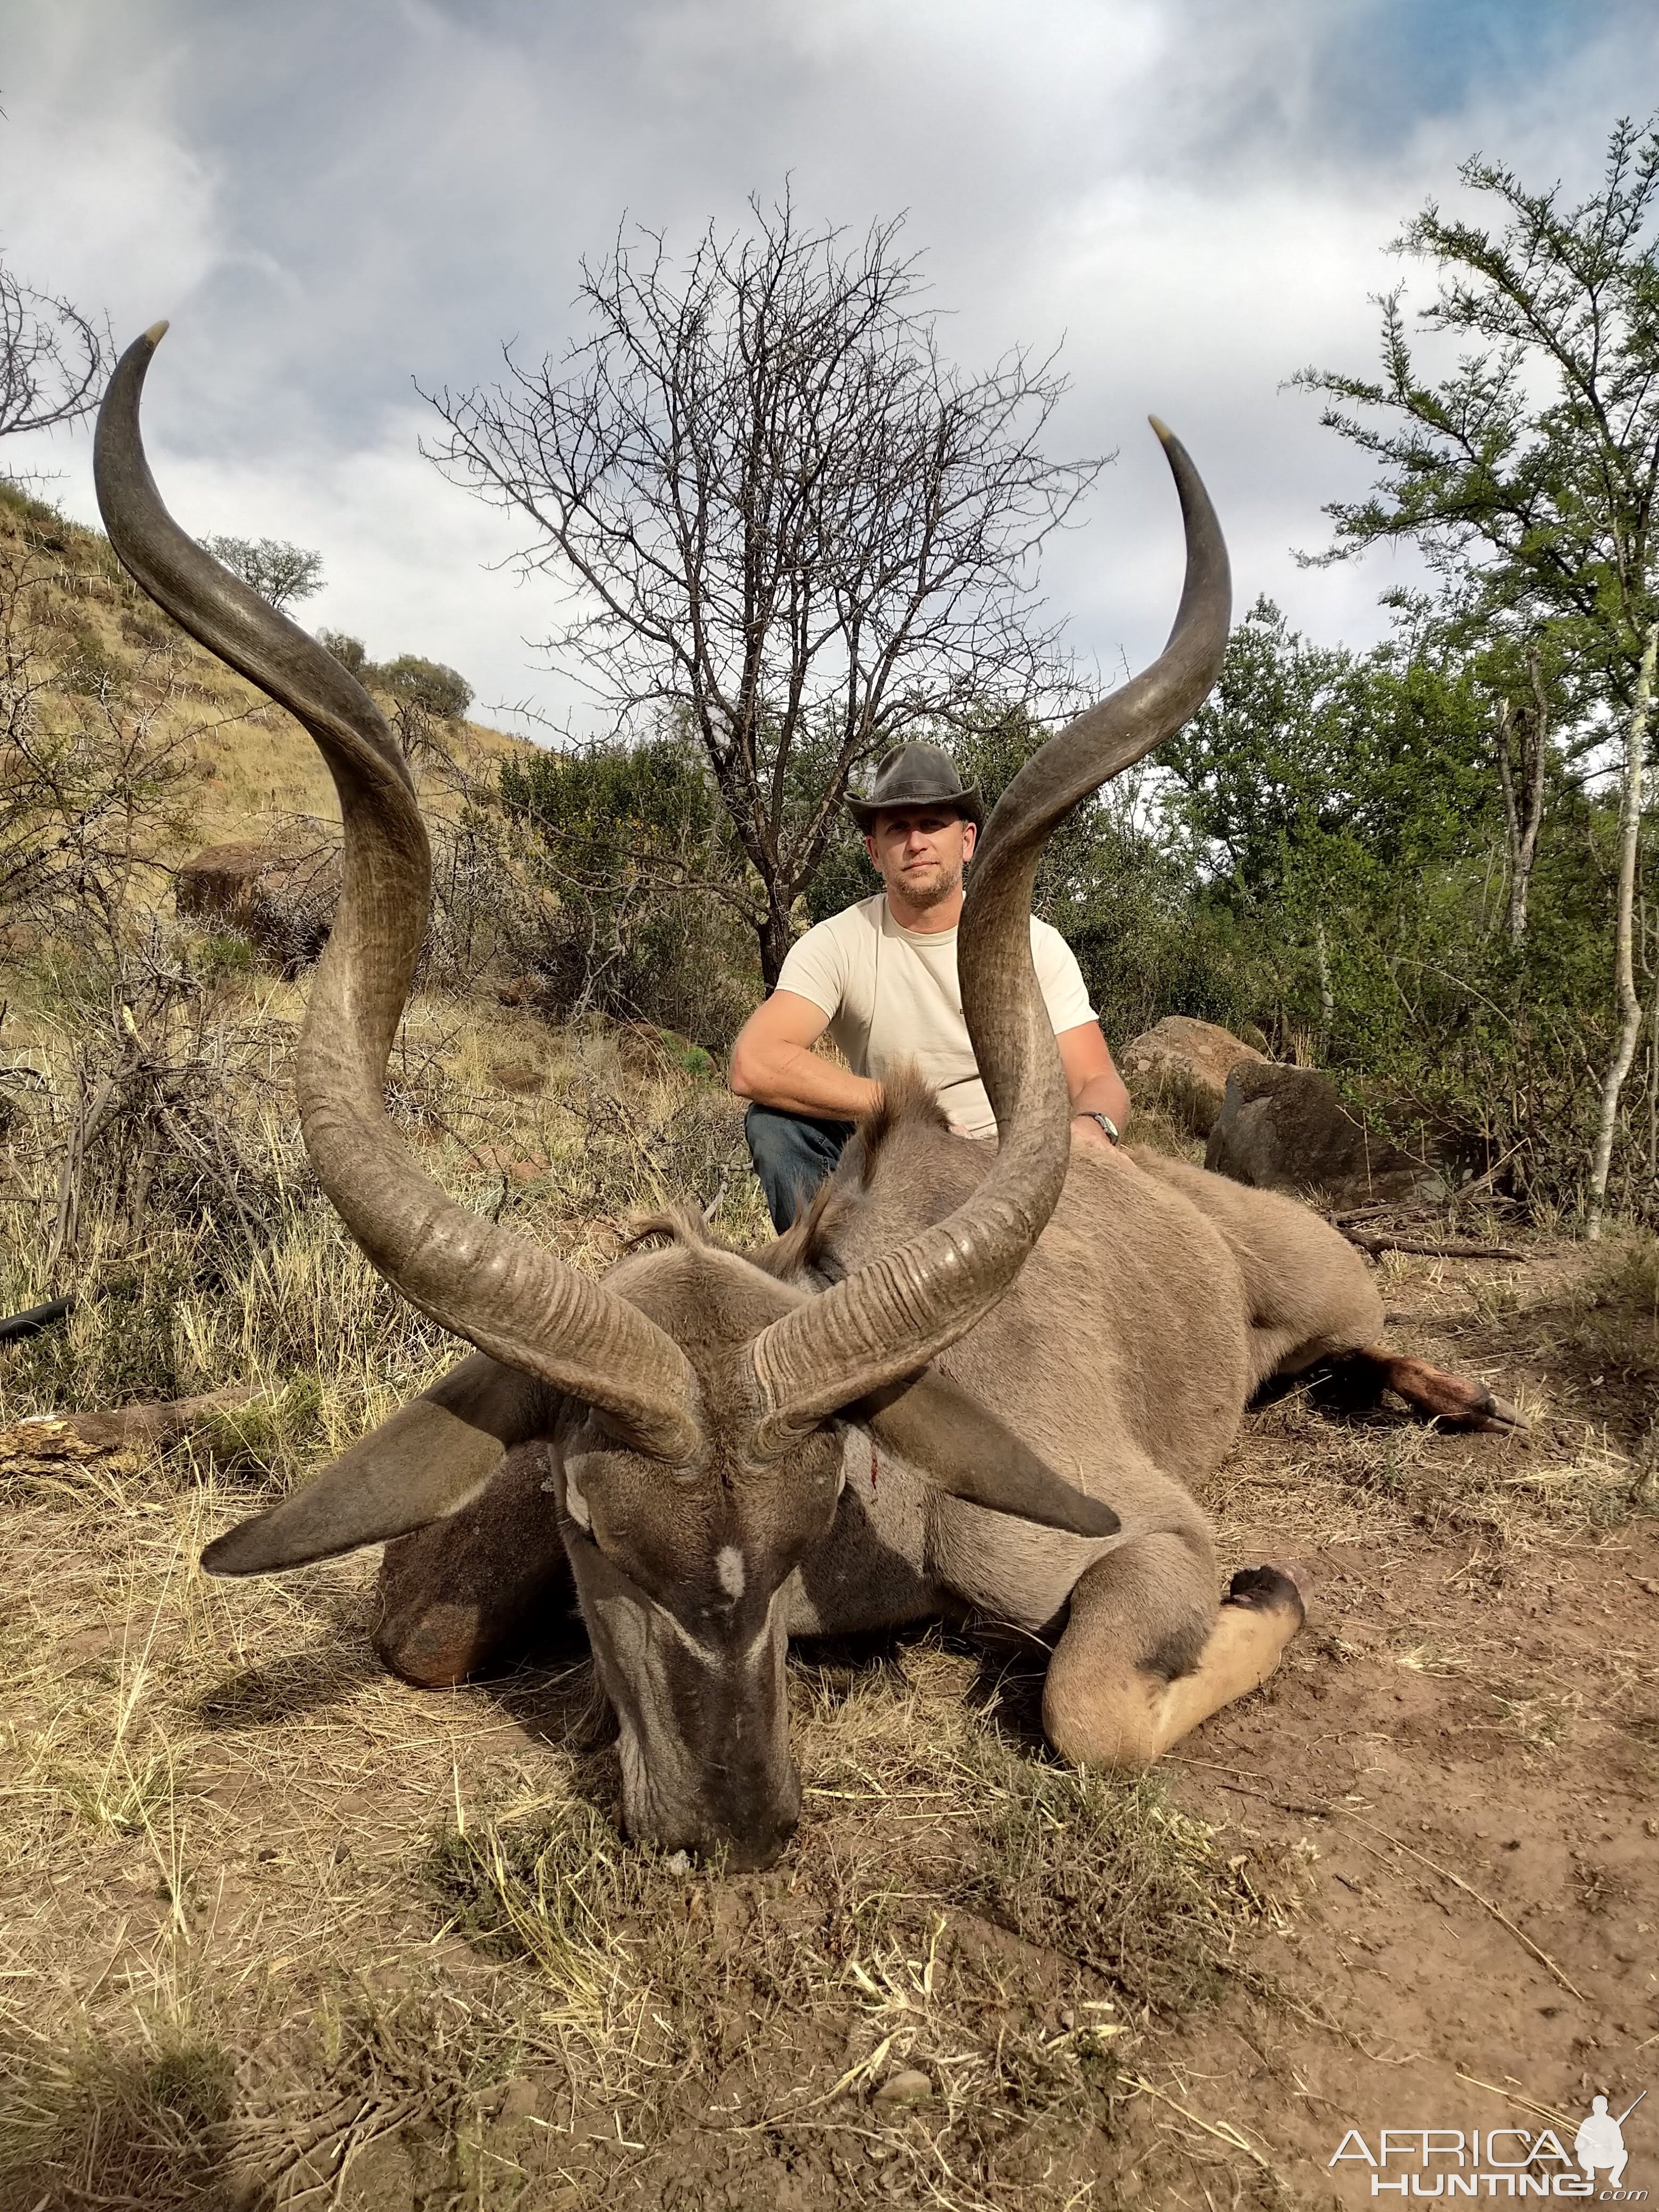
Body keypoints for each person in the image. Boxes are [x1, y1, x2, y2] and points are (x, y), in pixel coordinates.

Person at [728, 740, 1132, 1231]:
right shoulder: (838, 941)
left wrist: (1093, 1128)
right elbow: (754, 1062)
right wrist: (906, 1108)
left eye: (932, 823)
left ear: (967, 841)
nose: (916, 841)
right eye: (898, 827)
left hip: (1004, 1164)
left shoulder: (1035, 945)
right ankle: (833, 1289)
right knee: (776, 1127)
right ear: (874, 851)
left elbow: (1097, 1081)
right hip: (895, 1167)